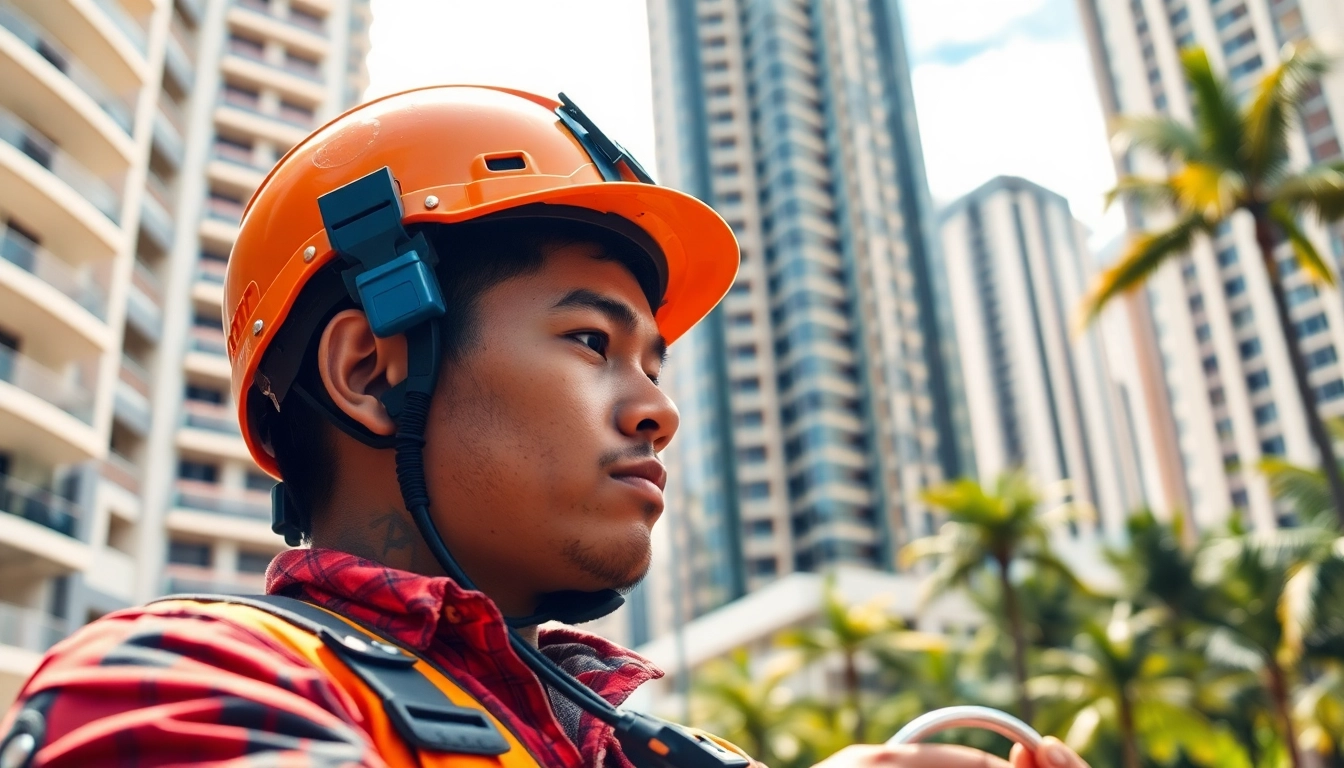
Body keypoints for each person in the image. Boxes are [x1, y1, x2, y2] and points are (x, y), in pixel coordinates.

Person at [0, 86, 1090, 768]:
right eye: (589, 341)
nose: (659, 409)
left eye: (654, 363)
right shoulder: (181, 680)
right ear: (373, 370)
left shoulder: (654, 749)